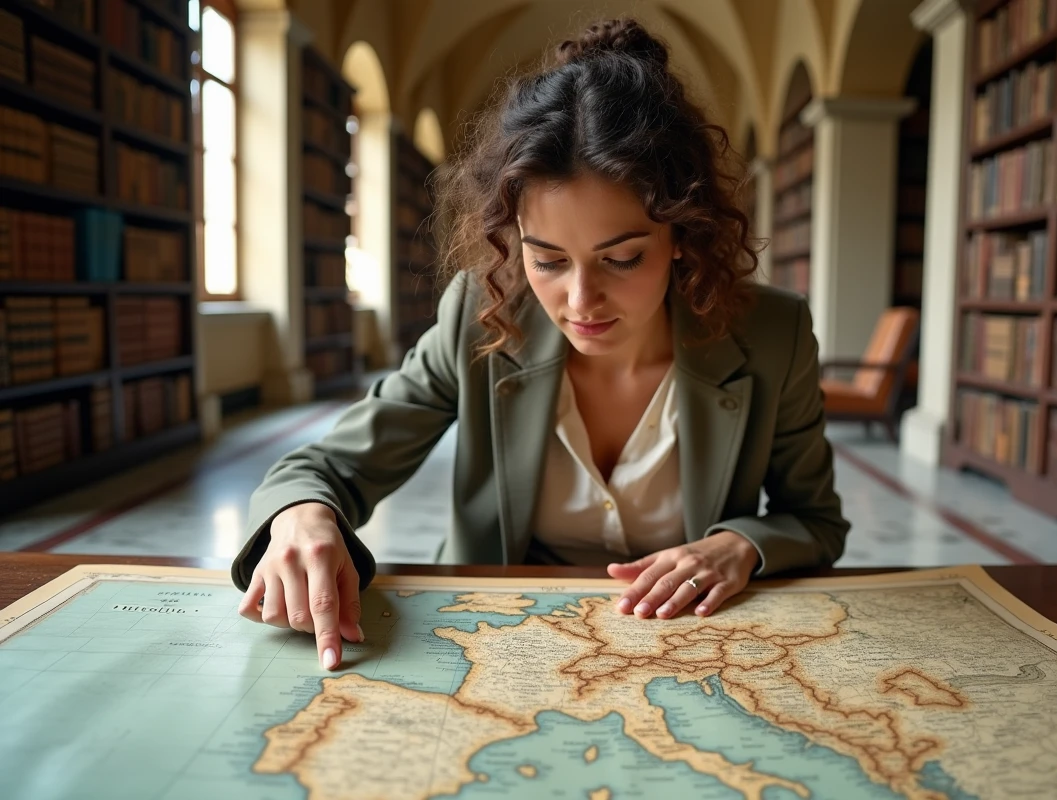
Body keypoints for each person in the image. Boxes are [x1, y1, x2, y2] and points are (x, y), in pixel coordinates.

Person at [232, 17, 850, 670]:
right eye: (548, 260)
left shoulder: (771, 334)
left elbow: (814, 521)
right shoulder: (480, 315)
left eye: (622, 259)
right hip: (494, 650)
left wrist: (741, 545)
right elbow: (325, 469)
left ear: (683, 237)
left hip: (686, 653)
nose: (580, 303)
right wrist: (301, 516)